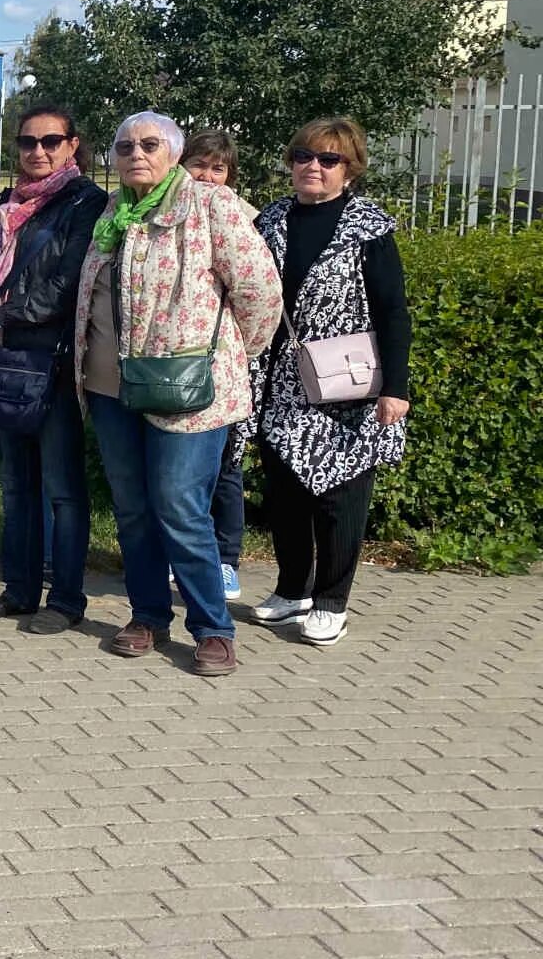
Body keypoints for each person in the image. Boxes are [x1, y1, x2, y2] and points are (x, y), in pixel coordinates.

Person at [73, 112, 280, 677]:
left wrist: (229, 357)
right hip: (111, 384)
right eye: (124, 146)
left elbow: (260, 292)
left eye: (149, 144)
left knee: (179, 507)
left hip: (188, 388)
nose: (135, 154)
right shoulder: (112, 213)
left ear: (173, 152)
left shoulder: (211, 206)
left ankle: (213, 626)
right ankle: (147, 614)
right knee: (134, 509)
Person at [251, 118, 410, 648]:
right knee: (287, 489)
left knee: (341, 495)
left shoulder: (368, 227)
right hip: (282, 382)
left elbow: (393, 312)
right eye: (303, 156)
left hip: (348, 382)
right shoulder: (270, 220)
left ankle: (331, 601)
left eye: (328, 159)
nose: (312, 167)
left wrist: (397, 387)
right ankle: (292, 587)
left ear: (350, 168)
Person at [0, 104, 106, 633]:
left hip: (54, 361)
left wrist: (0, 316)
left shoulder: (86, 203)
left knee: (62, 490)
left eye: (50, 141)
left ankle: (66, 600)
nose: (38, 151)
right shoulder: (9, 201)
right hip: (4, 360)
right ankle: (19, 591)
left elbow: (67, 285)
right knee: (17, 485)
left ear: (72, 145)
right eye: (27, 142)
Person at [182, 129, 252, 599]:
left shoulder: (243, 218)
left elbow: (258, 294)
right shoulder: (164, 213)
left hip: (222, 366)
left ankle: (225, 559)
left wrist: (240, 347)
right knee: (183, 477)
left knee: (224, 468)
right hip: (173, 371)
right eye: (199, 165)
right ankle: (188, 555)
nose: (207, 176)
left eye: (218, 168)